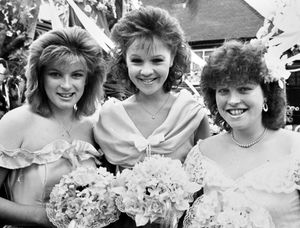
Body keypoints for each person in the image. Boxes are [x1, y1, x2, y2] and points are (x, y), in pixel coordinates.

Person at [183, 40, 300, 227]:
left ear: (266, 94)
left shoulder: (295, 149)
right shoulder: (201, 154)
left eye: (244, 89)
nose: (233, 100)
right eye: (223, 91)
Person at [0, 26, 105, 227]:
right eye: (56, 74)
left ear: (88, 80)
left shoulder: (93, 126)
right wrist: (41, 217)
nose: (66, 85)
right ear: (40, 76)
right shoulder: (16, 122)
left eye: (76, 75)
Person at [93, 6, 210, 172]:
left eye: (156, 60)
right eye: (137, 61)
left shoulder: (192, 114)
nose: (146, 71)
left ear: (172, 58)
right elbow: (105, 183)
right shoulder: (109, 118)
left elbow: (206, 183)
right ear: (124, 61)